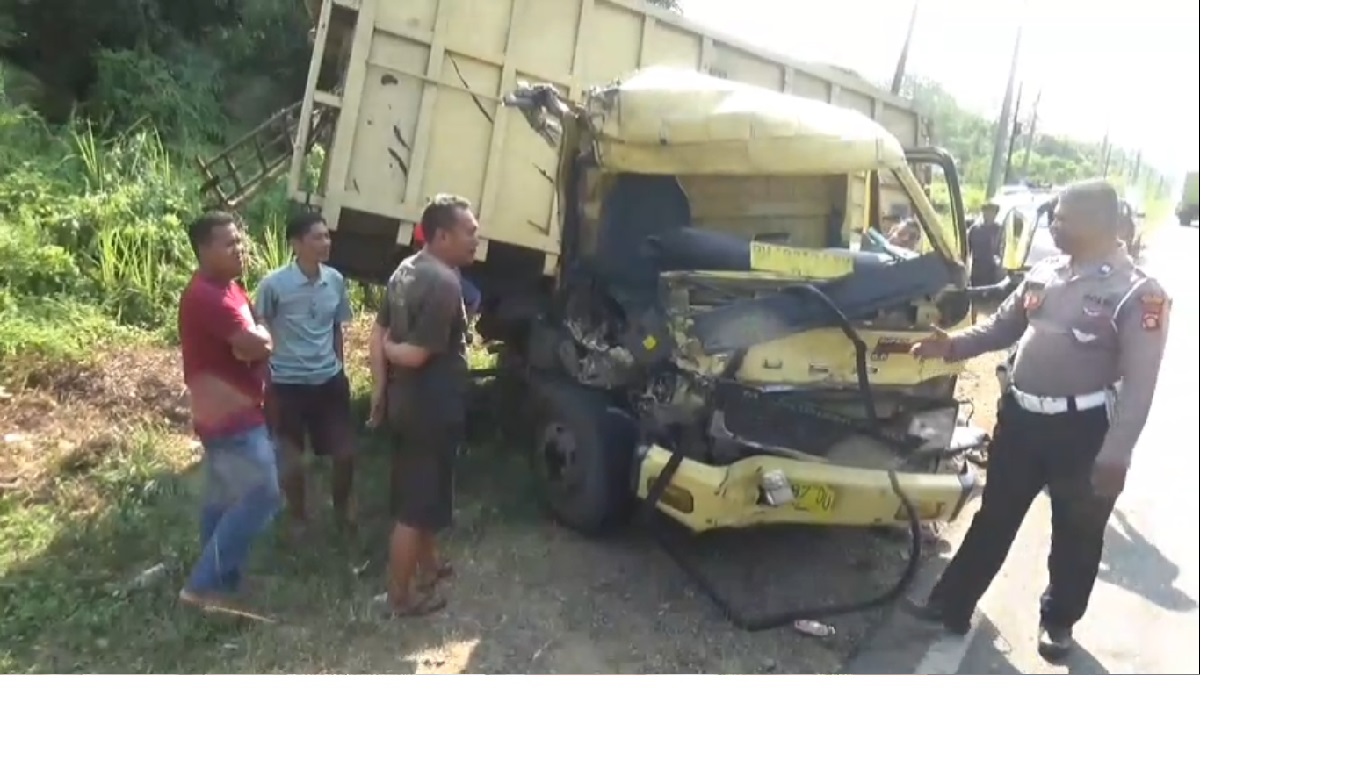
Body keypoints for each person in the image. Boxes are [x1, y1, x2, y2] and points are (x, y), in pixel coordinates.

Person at [907, 179, 1170, 661]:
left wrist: (1118, 451)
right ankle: (951, 603)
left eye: (1063, 217)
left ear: (1097, 224)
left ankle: (1059, 621)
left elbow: (1141, 383)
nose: (1054, 224)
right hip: (1022, 419)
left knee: (1077, 532)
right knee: (993, 518)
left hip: (1084, 432)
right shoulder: (1045, 273)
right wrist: (952, 345)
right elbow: (1002, 326)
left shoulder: (1137, 293)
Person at [368, 195, 478, 617]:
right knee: (414, 507)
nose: (476, 240)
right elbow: (411, 353)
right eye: (469, 232)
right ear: (443, 235)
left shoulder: (405, 269)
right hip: (430, 407)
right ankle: (401, 596)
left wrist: (380, 390)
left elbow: (377, 333)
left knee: (426, 492)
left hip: (408, 402)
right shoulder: (445, 284)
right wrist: (397, 350)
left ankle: (429, 565)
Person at [177, 211, 282, 612]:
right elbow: (256, 344)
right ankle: (203, 585)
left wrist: (257, 336)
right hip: (232, 415)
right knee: (263, 493)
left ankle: (224, 580)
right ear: (204, 249)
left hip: (224, 411)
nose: (240, 250)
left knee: (222, 498)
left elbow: (255, 331)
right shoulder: (208, 295)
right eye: (229, 243)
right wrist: (261, 340)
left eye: (240, 241)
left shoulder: (230, 288)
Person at [254, 211, 356, 530]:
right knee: (291, 459)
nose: (325, 242)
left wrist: (339, 366)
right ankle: (298, 517)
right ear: (296, 244)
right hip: (287, 384)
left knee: (345, 454)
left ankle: (341, 511)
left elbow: (337, 327)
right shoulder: (273, 285)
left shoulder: (335, 281)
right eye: (317, 237)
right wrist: (265, 377)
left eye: (327, 236)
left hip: (328, 381)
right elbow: (262, 326)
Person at [967, 202, 1004, 286]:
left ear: (995, 214)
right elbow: (967, 250)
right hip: (977, 270)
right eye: (986, 212)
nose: (988, 215)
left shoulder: (999, 230)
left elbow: (1003, 250)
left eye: (992, 212)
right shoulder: (975, 230)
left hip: (992, 270)